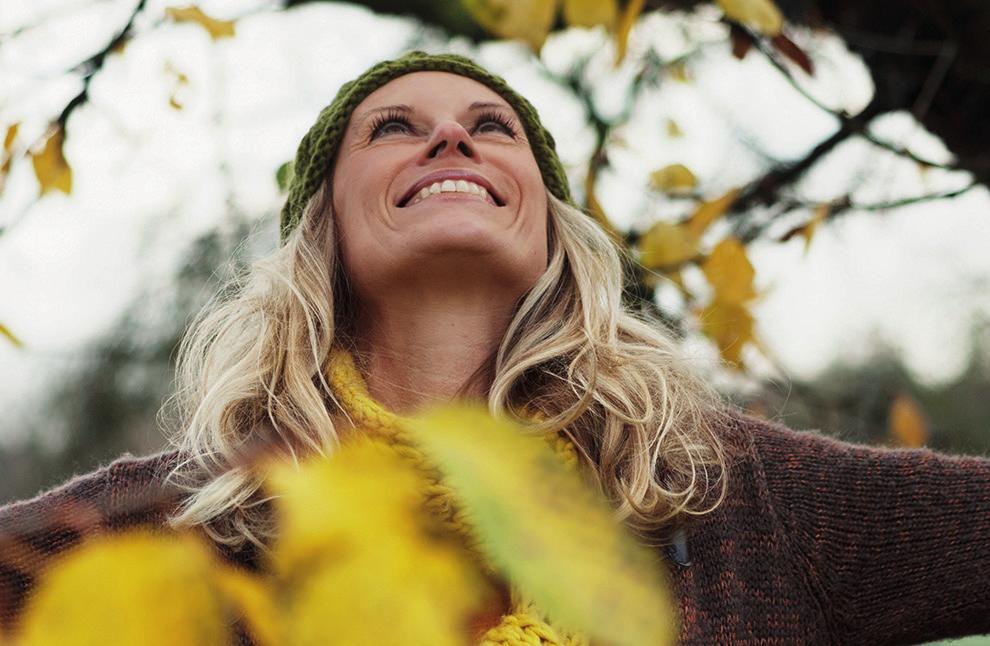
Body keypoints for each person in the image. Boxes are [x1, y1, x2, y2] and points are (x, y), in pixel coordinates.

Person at [1, 50, 988, 645]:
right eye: (396, 127)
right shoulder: (193, 513)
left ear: (550, 228)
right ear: (325, 228)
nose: (453, 144)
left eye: (491, 128)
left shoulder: (727, 490)